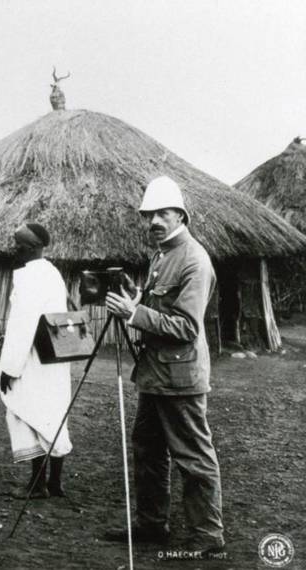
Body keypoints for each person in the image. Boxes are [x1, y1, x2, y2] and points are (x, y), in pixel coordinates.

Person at [104, 175, 224, 556]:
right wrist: (138, 298)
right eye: (149, 214)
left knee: (192, 455)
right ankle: (152, 524)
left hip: (181, 377)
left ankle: (207, 536)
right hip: (155, 374)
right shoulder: (161, 255)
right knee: (148, 449)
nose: (154, 221)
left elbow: (187, 327)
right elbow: (163, 306)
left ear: (181, 215)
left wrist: (134, 313)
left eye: (162, 213)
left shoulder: (194, 260)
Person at [0, 223, 72, 499]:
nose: (14, 249)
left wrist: (10, 369)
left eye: (18, 245)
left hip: (32, 358)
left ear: (30, 248)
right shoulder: (52, 273)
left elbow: (23, 325)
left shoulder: (30, 278)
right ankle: (55, 482)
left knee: (30, 413)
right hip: (55, 357)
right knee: (55, 413)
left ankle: (38, 484)